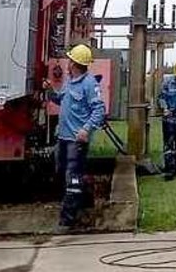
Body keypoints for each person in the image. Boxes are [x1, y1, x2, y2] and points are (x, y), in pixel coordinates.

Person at [45, 44, 106, 231]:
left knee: (72, 178)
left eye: (70, 60)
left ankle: (67, 221)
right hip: (63, 138)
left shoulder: (89, 84)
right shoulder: (70, 82)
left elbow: (99, 110)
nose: (67, 63)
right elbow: (59, 99)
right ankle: (83, 204)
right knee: (65, 173)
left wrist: (86, 130)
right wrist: (49, 91)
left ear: (75, 64)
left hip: (76, 141)